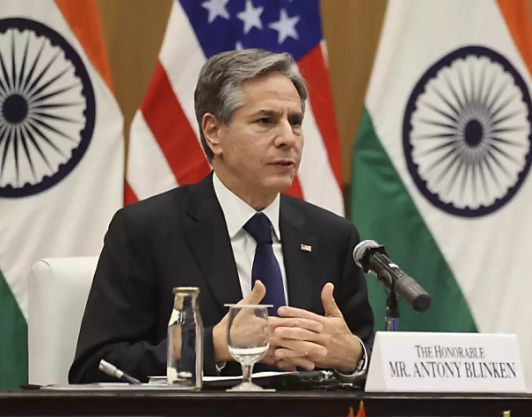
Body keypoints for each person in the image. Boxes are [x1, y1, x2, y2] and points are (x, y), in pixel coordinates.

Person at [69, 49, 373, 383]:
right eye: (266, 121)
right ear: (214, 132)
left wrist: (354, 357)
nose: (288, 138)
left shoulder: (332, 236)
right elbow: (94, 366)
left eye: (296, 121)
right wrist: (212, 345)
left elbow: (369, 357)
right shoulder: (146, 230)